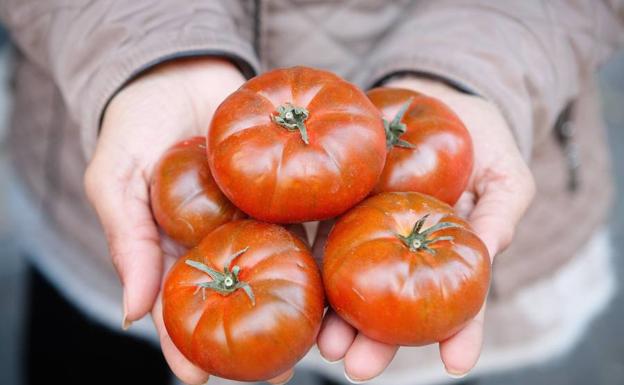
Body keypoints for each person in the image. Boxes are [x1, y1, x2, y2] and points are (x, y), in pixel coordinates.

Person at [1, 1, 622, 385]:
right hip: (95, 190)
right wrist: (145, 53)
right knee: (89, 355)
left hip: (444, 119)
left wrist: (471, 72)